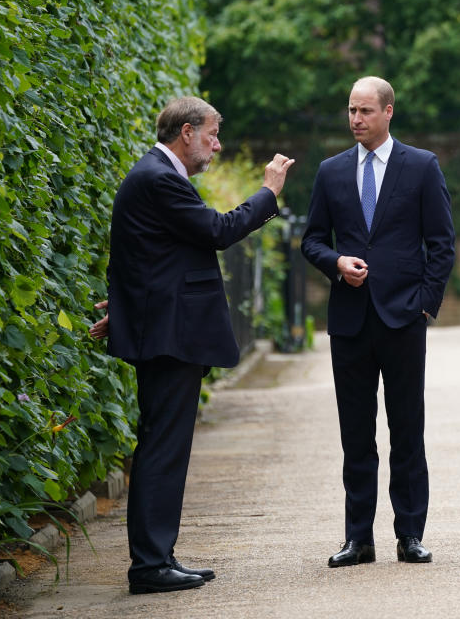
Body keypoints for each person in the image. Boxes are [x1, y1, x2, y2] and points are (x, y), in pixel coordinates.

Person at [89, 96, 295, 594]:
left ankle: (158, 557)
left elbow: (147, 255)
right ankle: (150, 565)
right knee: (163, 448)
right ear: (186, 133)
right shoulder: (160, 177)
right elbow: (216, 232)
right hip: (170, 337)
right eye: (211, 135)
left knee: (165, 446)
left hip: (162, 329)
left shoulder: (155, 175)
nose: (217, 145)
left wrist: (125, 305)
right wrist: (268, 193)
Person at [301, 76, 455, 568]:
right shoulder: (330, 171)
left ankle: (410, 534)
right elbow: (311, 240)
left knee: (407, 429)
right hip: (349, 321)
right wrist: (335, 263)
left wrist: (426, 303)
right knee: (356, 435)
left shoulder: (422, 166)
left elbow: (442, 242)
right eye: (350, 110)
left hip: (403, 318)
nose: (355, 120)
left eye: (365, 111)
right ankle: (357, 539)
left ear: (389, 112)